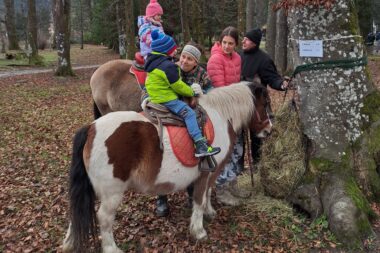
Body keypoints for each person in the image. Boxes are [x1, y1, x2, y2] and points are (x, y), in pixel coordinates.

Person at [156, 42, 214, 217]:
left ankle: (191, 191)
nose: (185, 61)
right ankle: (161, 196)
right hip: (170, 113)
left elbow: (212, 91)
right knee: (164, 150)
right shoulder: (171, 68)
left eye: (190, 59)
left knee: (191, 150)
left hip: (192, 115)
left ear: (196, 62)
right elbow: (154, 82)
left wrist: (202, 91)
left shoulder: (202, 74)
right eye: (183, 57)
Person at [207, 26, 247, 206]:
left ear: (236, 44)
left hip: (235, 109)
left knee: (237, 148)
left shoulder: (238, 58)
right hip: (222, 110)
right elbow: (220, 90)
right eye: (224, 42)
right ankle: (221, 188)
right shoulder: (215, 60)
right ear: (220, 41)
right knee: (225, 150)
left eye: (231, 43)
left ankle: (232, 183)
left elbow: (236, 83)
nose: (227, 46)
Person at [240, 28, 289, 164]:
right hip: (239, 105)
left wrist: (282, 84)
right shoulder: (239, 56)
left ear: (255, 43)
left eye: (247, 39)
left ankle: (258, 165)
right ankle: (239, 168)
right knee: (239, 138)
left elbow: (273, 78)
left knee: (258, 139)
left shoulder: (264, 59)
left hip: (258, 107)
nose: (243, 41)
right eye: (244, 38)